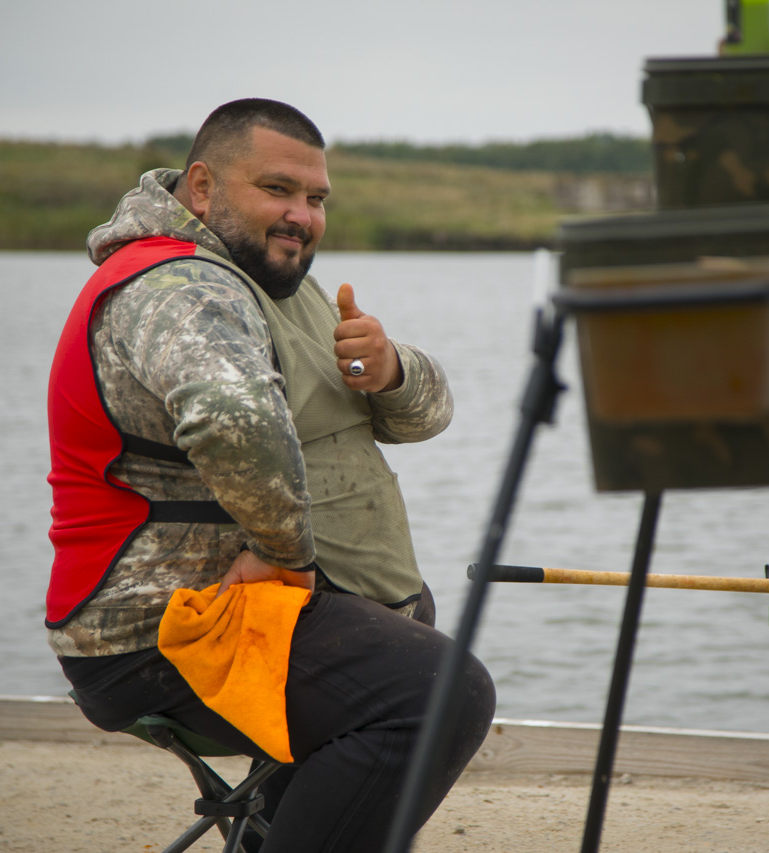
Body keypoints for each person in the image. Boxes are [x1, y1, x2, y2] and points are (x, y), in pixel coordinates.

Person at [45, 98, 494, 851]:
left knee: (406, 642)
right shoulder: (178, 288)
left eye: (316, 198)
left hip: (268, 608)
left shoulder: (279, 283)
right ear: (201, 187)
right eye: (277, 189)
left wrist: (391, 370)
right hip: (164, 626)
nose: (302, 216)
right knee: (441, 694)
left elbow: (429, 417)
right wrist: (284, 553)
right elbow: (234, 418)